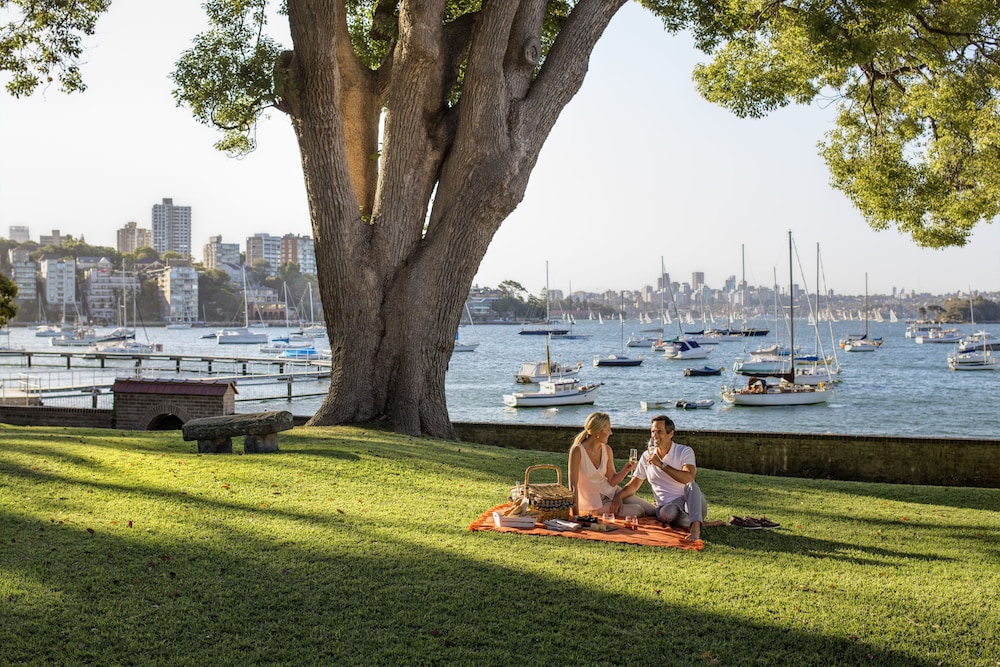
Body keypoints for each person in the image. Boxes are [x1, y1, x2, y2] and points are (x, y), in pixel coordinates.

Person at [611, 415, 710, 541]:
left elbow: (688, 477)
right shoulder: (647, 456)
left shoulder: (684, 451)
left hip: (692, 503)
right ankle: (695, 521)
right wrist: (618, 496)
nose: (655, 435)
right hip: (668, 508)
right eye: (653, 431)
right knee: (668, 513)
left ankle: (695, 529)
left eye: (659, 431)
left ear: (671, 434)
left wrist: (662, 465)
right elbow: (634, 484)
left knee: (691, 486)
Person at [567, 412, 643, 518]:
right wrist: (576, 515)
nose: (611, 433)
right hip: (594, 503)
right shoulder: (577, 451)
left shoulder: (607, 449)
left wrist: (626, 470)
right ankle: (599, 511)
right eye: (608, 429)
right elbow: (573, 485)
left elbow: (612, 481)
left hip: (611, 492)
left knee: (651, 510)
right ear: (598, 431)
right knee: (638, 510)